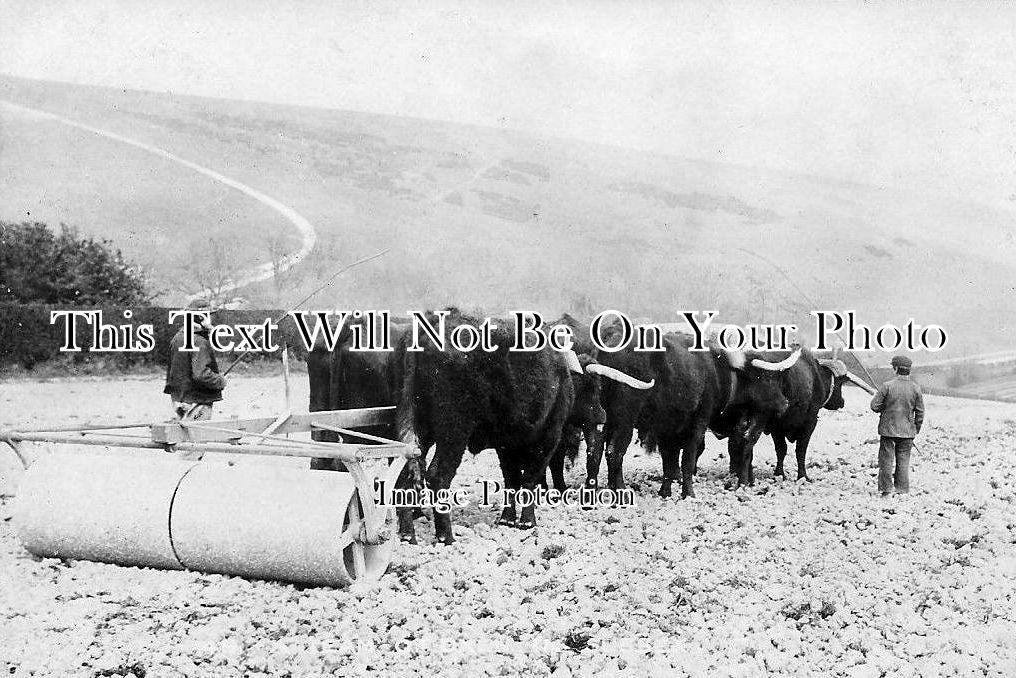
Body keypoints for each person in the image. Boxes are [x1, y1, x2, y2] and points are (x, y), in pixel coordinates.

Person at [164, 299, 226, 460]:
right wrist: (220, 381)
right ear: (201, 318)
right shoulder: (200, 342)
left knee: (183, 443)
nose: (211, 319)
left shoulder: (178, 338)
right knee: (194, 448)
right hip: (198, 403)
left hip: (179, 400)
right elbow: (201, 374)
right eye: (208, 316)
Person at [869, 355, 924, 496]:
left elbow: (874, 406)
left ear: (895, 369)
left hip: (888, 430)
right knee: (903, 461)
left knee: (886, 461)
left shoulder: (887, 386)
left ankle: (886, 491)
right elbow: (920, 412)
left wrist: (885, 405)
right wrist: (915, 429)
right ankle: (901, 490)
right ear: (909, 370)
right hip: (907, 432)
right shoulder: (916, 388)